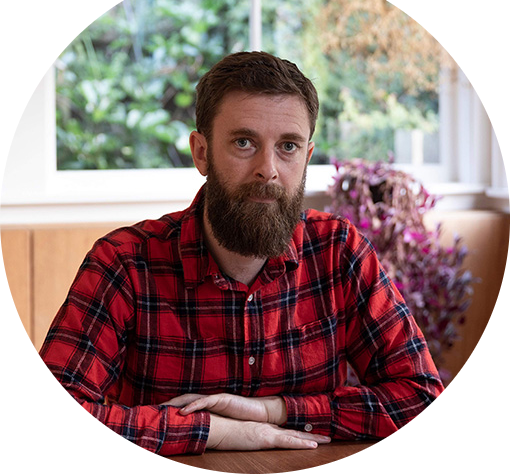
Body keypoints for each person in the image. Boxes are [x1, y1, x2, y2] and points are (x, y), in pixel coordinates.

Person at [39, 51, 444, 456]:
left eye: (288, 146)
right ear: (201, 152)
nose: (268, 169)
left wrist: (274, 413)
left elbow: (426, 407)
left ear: (306, 157)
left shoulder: (339, 253)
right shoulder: (124, 264)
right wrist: (213, 431)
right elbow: (47, 419)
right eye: (244, 142)